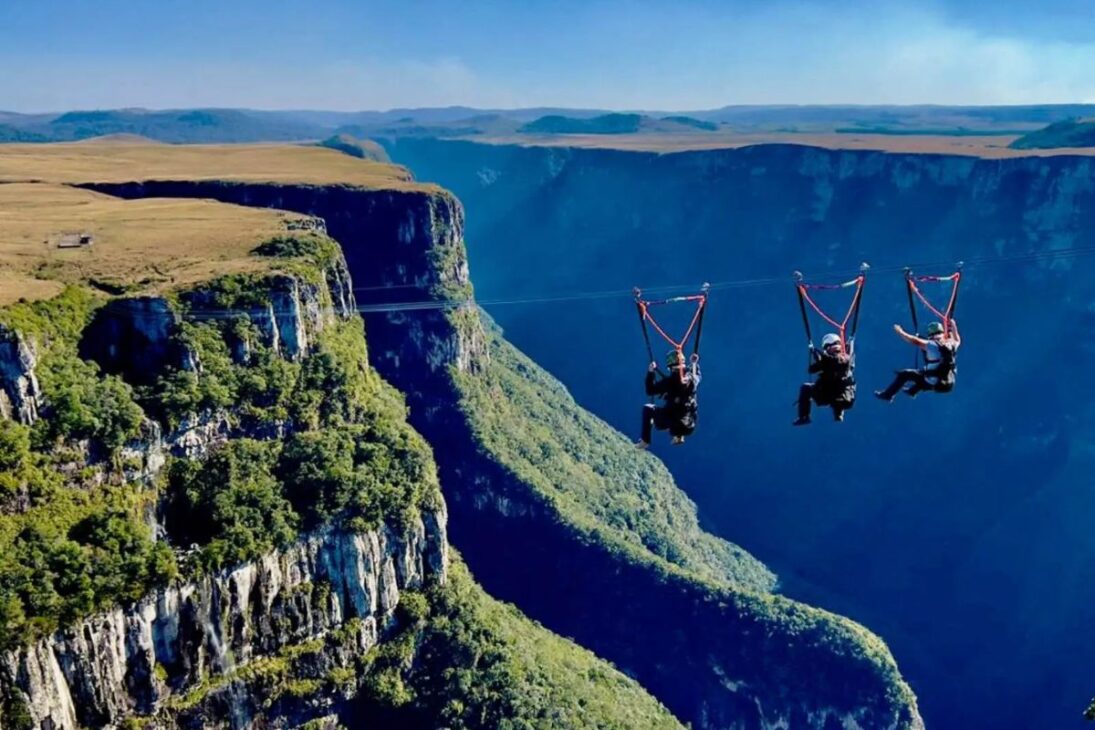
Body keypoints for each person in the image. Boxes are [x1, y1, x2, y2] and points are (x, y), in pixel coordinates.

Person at [875, 320, 961, 402]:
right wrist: (953, 325)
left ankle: (887, 395)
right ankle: (912, 391)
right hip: (948, 383)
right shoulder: (952, 344)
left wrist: (900, 332)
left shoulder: (931, 345)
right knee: (921, 374)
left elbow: (914, 341)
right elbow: (957, 339)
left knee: (905, 374)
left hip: (933, 381)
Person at [636, 350, 700, 448]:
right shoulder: (692, 379)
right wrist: (694, 363)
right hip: (690, 426)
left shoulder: (669, 382)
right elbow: (696, 374)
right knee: (680, 409)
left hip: (674, 424)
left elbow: (650, 390)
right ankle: (679, 436)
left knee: (648, 409)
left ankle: (645, 441)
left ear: (671, 367)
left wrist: (650, 372)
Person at [793, 332, 855, 426]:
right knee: (836, 386)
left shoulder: (836, 359)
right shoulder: (846, 358)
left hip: (832, 396)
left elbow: (818, 366)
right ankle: (838, 414)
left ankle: (804, 417)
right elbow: (816, 367)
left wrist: (814, 352)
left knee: (806, 388)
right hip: (842, 397)